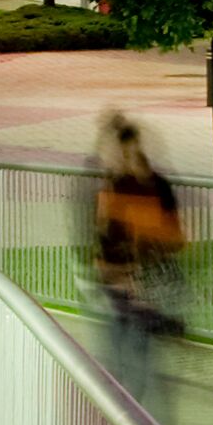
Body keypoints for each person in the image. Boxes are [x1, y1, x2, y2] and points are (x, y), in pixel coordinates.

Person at [84, 111, 188, 409]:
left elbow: (175, 239)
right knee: (117, 369)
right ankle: (122, 422)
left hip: (144, 293)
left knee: (138, 371)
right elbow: (103, 240)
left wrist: (139, 256)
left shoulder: (157, 187)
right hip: (115, 291)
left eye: (123, 152)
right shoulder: (111, 187)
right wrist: (106, 268)